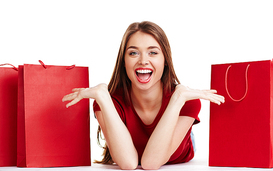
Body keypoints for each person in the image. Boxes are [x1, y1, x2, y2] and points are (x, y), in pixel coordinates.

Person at [62, 21, 224, 170]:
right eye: (133, 53)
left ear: (165, 60)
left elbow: (151, 163)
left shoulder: (186, 101)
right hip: (131, 145)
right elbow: (129, 163)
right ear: (123, 61)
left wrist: (177, 99)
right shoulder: (107, 102)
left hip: (179, 151)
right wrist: (103, 97)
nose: (143, 61)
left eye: (153, 52)